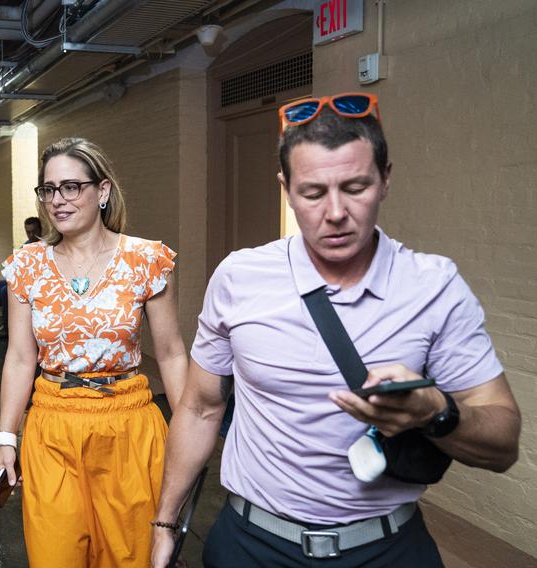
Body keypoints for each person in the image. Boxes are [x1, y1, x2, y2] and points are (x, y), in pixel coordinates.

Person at [151, 94, 521, 567]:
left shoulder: (433, 285)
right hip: (251, 544)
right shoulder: (239, 277)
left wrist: (437, 414)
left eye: (355, 186)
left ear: (385, 179)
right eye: (312, 192)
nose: (335, 212)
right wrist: (166, 522)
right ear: (286, 189)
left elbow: (503, 441)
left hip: (385, 548)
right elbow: (201, 409)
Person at [0, 138, 188, 567]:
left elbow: (171, 354)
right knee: (54, 554)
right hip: (52, 424)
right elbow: (21, 359)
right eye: (48, 189)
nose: (57, 200)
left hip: (129, 424)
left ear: (102, 191)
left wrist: (189, 436)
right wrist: (7, 437)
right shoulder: (27, 266)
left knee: (132, 556)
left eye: (70, 187)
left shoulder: (145, 259)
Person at [0, 217, 43, 338]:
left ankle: (8, 330)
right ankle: (0, 317)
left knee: (4, 291)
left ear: (40, 229)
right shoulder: (27, 245)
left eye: (34, 231)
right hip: (22, 277)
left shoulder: (44, 244)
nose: (31, 235)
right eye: (28, 232)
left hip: (35, 280)